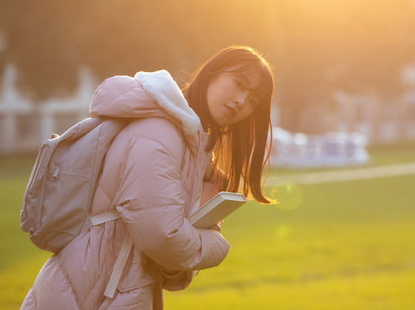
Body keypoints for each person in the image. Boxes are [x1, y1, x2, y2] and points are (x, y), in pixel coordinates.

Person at [21, 46, 274, 309]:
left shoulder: (193, 149)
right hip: (89, 290)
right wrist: (216, 246)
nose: (241, 101)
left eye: (253, 100)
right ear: (212, 74)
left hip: (117, 286)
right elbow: (162, 237)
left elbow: (170, 267)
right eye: (238, 83)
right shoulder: (159, 132)